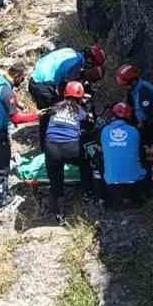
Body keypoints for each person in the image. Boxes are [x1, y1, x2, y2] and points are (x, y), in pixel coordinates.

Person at [0, 62, 38, 210]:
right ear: (17, 76)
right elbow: (17, 119)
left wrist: (17, 105)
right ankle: (0, 201)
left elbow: (3, 99)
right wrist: (36, 116)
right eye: (22, 78)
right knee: (3, 166)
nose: (22, 81)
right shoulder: (7, 92)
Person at [42, 81, 94, 220]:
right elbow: (89, 128)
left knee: (56, 178)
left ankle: (58, 210)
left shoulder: (54, 108)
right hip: (71, 147)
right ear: (80, 96)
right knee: (86, 163)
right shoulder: (81, 112)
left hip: (51, 146)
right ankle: (87, 193)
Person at [100, 102, 153, 208]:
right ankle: (145, 195)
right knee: (151, 166)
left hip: (111, 185)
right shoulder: (134, 131)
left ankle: (102, 198)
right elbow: (142, 155)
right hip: (135, 185)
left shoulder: (104, 131)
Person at [28, 44, 105, 109]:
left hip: (35, 77)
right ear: (90, 60)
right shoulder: (76, 64)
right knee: (59, 110)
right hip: (41, 85)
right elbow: (64, 88)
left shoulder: (70, 51)